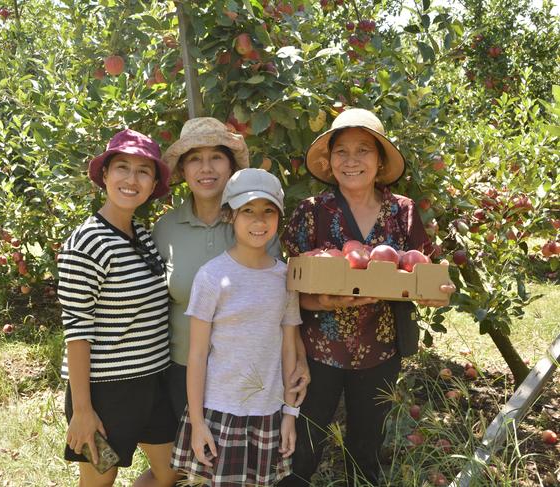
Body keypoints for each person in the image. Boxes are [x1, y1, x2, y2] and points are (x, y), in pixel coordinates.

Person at [278, 108, 456, 486]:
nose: (352, 160)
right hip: (318, 350)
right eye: (342, 151)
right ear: (329, 161)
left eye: (364, 150)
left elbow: (424, 272)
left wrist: (437, 292)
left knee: (366, 446)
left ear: (379, 160)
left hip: (381, 350)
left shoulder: (401, 211)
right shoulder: (311, 212)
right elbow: (288, 287)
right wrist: (320, 303)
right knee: (305, 443)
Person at [152, 117, 310, 422]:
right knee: (184, 464)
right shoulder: (166, 229)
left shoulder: (257, 228)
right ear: (183, 170)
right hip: (181, 367)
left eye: (216, 158)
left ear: (231, 167)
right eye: (195, 159)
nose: (206, 168)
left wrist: (299, 357)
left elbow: (278, 302)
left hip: (244, 376)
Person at [57, 128, 179, 487]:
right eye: (122, 167)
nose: (131, 179)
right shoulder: (86, 242)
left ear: (154, 182)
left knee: (170, 473)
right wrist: (82, 410)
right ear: (106, 176)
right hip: (106, 391)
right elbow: (77, 330)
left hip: (153, 382)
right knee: (98, 482)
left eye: (143, 171)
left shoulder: (142, 235)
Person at [170, 168, 302, 486]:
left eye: (268, 211)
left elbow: (288, 348)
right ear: (230, 215)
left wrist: (289, 414)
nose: (259, 221)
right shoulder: (212, 276)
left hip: (268, 411)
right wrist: (198, 422)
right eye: (248, 211)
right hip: (219, 411)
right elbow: (198, 354)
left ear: (279, 217)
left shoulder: (286, 278)